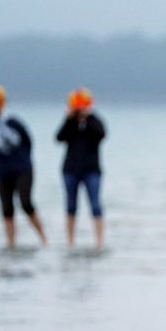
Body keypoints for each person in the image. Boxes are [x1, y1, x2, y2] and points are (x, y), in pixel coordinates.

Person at [0, 85, 47, 248]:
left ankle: (44, 238)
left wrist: (24, 159)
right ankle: (11, 244)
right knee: (7, 208)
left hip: (23, 168)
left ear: (1, 105)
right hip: (2, 172)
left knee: (26, 203)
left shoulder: (13, 122)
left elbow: (28, 141)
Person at [55, 88, 107, 249]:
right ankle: (70, 242)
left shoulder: (94, 121)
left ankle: (99, 242)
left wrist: (88, 116)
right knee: (70, 206)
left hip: (92, 169)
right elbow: (59, 137)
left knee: (96, 205)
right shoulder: (70, 122)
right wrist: (69, 118)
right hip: (70, 169)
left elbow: (102, 134)